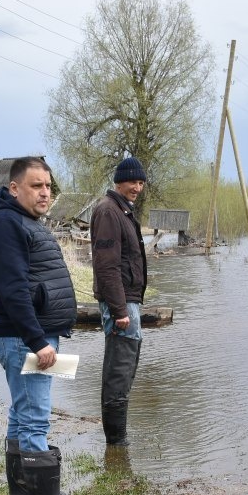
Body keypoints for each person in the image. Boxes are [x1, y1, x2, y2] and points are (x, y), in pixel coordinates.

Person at [0, 156, 91, 495]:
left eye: (48, 186)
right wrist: (37, 339)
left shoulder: (20, 220)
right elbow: (12, 290)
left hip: (28, 334)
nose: (45, 193)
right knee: (35, 418)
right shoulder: (5, 224)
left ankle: (24, 494)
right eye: (36, 186)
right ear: (14, 188)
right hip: (23, 336)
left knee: (22, 412)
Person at [91, 155, 149, 446]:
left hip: (128, 301)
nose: (136, 187)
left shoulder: (122, 211)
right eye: (131, 181)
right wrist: (119, 309)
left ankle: (118, 438)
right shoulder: (108, 211)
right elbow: (106, 266)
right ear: (118, 181)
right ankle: (116, 441)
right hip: (121, 303)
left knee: (125, 367)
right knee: (118, 369)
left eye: (140, 182)